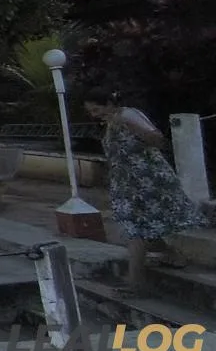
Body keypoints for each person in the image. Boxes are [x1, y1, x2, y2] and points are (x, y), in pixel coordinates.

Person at [84, 92, 207, 293]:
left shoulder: (127, 116)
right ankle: (173, 256)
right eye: (91, 111)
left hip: (147, 182)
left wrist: (136, 130)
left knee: (136, 230)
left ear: (109, 103)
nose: (94, 115)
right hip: (128, 183)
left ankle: (135, 280)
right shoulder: (112, 120)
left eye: (96, 109)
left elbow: (157, 139)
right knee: (142, 227)